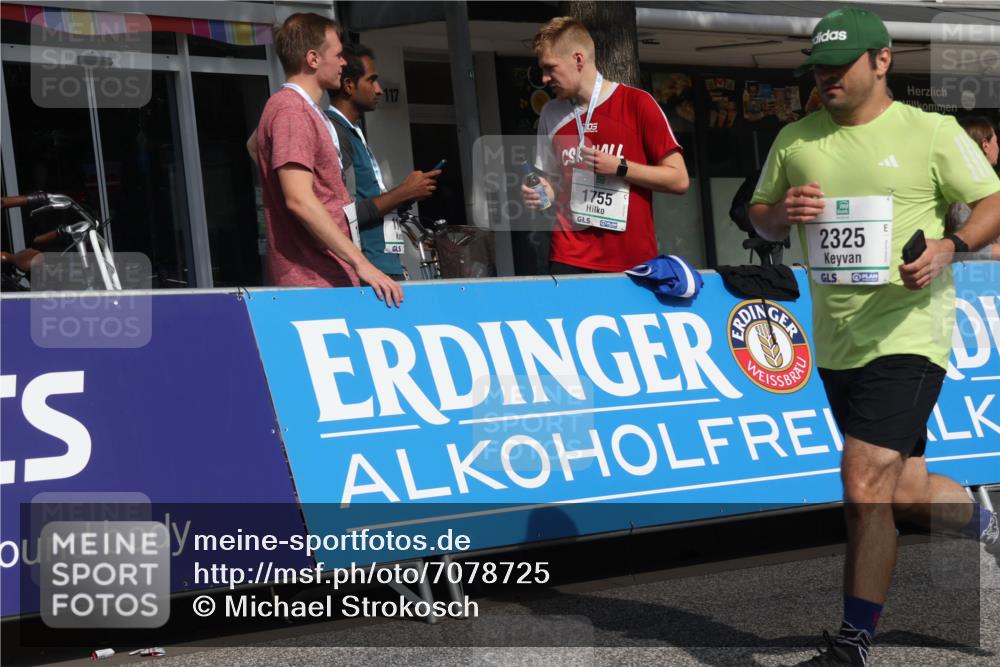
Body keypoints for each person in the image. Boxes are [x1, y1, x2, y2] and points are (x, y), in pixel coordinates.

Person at [749, 7, 1000, 666]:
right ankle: (988, 521)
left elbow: (993, 199)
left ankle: (853, 643)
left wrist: (952, 244)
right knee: (900, 489)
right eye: (818, 70)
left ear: (880, 62)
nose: (826, 79)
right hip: (836, 341)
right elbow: (761, 218)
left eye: (838, 68)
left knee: (861, 480)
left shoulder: (931, 132)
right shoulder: (797, 138)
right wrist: (779, 214)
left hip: (911, 329)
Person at [254, 13, 402, 306]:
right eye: (337, 54)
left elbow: (254, 144)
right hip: (313, 283)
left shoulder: (294, 109)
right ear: (312, 59)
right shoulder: (291, 111)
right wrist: (363, 264)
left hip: (324, 277)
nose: (343, 62)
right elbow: (298, 199)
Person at [521, 16, 689, 275]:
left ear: (578, 60)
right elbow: (552, 183)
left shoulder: (637, 104)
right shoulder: (550, 113)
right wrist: (542, 192)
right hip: (570, 256)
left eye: (550, 68)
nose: (544, 79)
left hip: (630, 260)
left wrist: (620, 167)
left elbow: (679, 180)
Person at [327, 42, 441, 281]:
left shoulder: (353, 131)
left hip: (384, 264)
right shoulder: (334, 133)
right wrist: (403, 192)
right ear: (349, 86)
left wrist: (408, 195)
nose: (379, 89)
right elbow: (344, 214)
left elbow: (368, 199)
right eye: (371, 80)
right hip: (368, 269)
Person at [946, 116, 1000, 260]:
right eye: (996, 141)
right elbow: (963, 248)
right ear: (985, 145)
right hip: (979, 277)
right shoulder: (964, 191)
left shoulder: (989, 184)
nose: (998, 147)